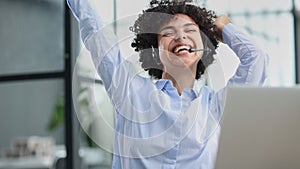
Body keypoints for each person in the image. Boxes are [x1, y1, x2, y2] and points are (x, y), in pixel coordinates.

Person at [67, 0, 268, 168]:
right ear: (155, 52)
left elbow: (256, 60)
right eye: (169, 33)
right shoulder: (130, 92)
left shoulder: (215, 107)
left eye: (190, 30)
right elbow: (96, 32)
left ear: (204, 48)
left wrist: (223, 27)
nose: (181, 36)